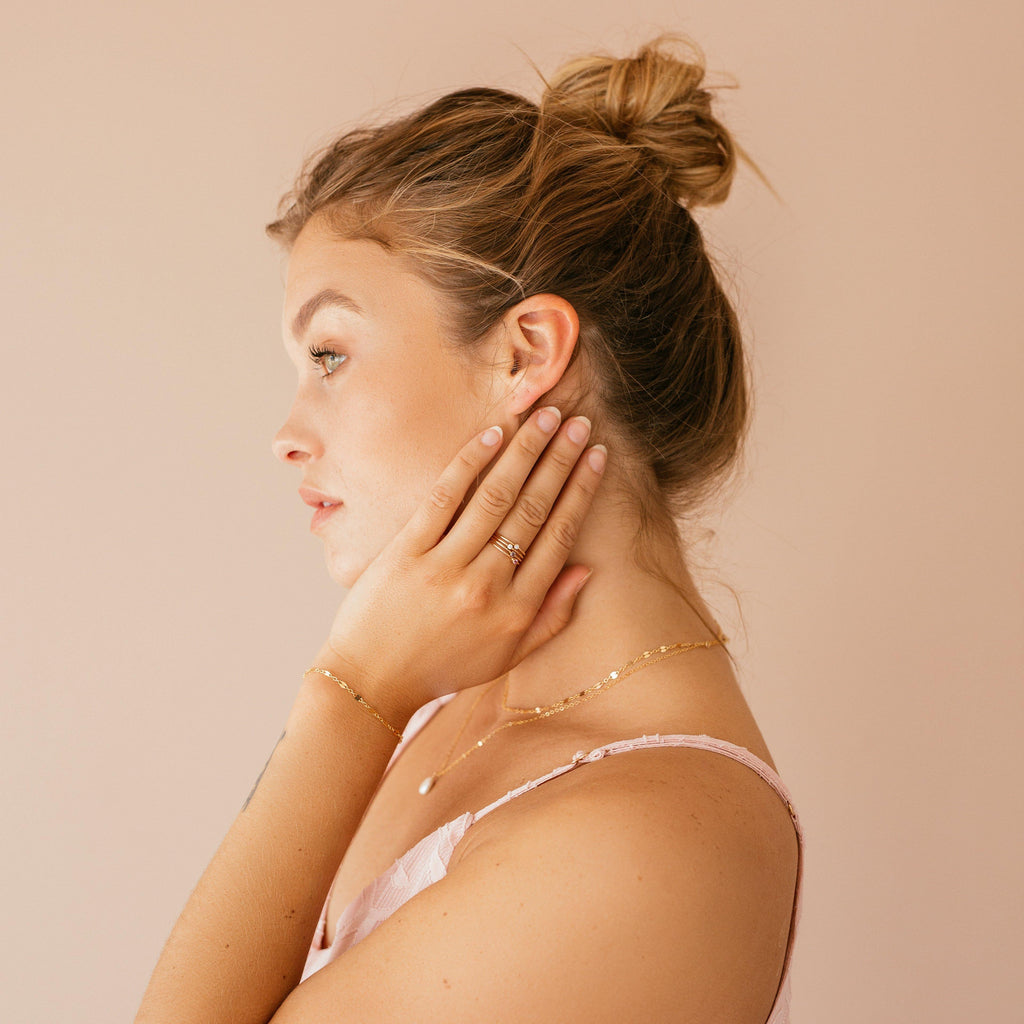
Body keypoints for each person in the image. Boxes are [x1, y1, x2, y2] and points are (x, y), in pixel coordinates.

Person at [135, 33, 802, 1024]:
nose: (286, 435)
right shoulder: (454, 701)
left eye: (329, 354)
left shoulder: (649, 835)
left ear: (526, 351)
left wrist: (348, 695)